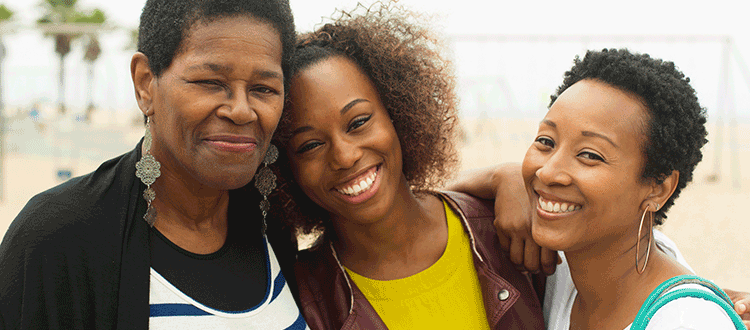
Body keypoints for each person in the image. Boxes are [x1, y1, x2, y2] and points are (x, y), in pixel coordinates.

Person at [0, 0, 309, 329]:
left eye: (264, 89)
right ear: (145, 83)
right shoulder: (56, 239)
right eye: (210, 82)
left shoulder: (271, 224)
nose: (241, 111)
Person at [268, 3, 545, 329]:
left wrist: (509, 177)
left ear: (398, 113)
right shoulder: (299, 299)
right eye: (310, 145)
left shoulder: (505, 230)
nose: (344, 156)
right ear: (285, 170)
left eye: (358, 122)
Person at [457, 48, 748, 329]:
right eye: (546, 141)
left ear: (657, 189)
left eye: (590, 155)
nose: (548, 172)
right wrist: (502, 176)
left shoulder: (685, 321)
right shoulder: (567, 267)